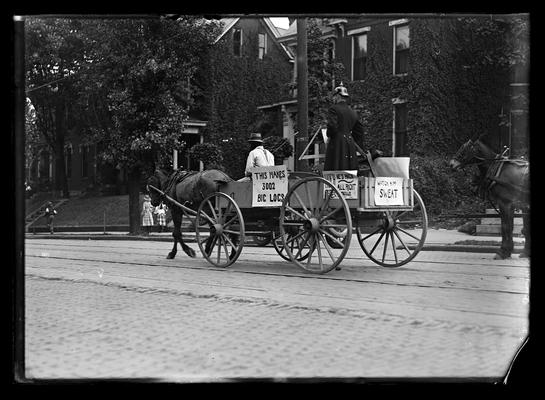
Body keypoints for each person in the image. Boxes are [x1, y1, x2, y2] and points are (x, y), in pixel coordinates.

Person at [324, 83, 365, 171]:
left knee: (335, 169)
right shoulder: (353, 112)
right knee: (349, 171)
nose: (333, 99)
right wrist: (352, 139)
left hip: (337, 143)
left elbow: (332, 127)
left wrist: (329, 135)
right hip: (349, 143)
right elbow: (360, 130)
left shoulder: (333, 109)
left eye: (334, 97)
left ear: (338, 96)